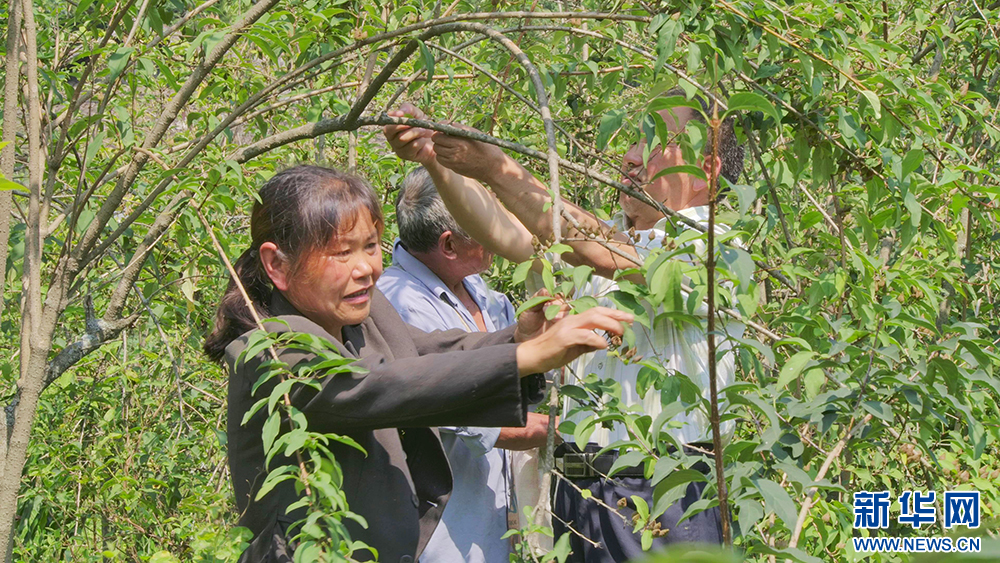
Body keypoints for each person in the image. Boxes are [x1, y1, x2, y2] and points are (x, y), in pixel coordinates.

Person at [203, 165, 634, 563]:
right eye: (340, 253)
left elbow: (432, 352)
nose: (366, 269)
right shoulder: (269, 347)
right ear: (277, 264)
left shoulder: (365, 315)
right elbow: (374, 385)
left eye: (370, 246)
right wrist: (522, 358)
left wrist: (518, 339)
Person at [383, 90, 746, 562]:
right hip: (578, 492)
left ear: (708, 167)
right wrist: (436, 160)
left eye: (657, 144)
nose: (632, 158)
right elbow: (505, 230)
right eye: (635, 140)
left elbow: (598, 249)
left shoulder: (717, 248)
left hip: (664, 493)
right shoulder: (603, 242)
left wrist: (497, 168)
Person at [377, 166, 551, 562]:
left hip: (492, 522)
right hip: (445, 531)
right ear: (449, 244)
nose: (496, 232)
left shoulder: (478, 288)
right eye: (482, 225)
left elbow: (522, 370)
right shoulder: (399, 303)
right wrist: (575, 434)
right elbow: (479, 420)